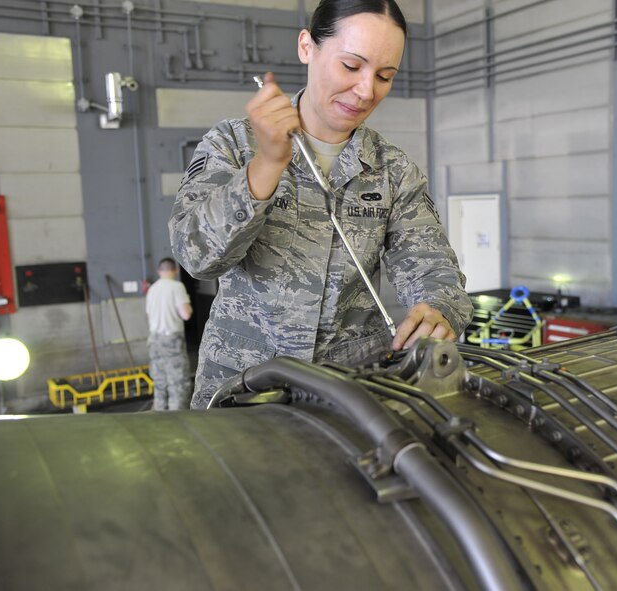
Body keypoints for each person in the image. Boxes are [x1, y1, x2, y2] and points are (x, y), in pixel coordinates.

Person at [170, 0, 473, 408]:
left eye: (385, 76)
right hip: (241, 387)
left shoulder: (393, 170)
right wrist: (266, 165)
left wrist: (438, 310)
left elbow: (434, 268)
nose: (366, 91)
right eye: (351, 66)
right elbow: (197, 256)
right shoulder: (234, 144)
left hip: (348, 392)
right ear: (306, 47)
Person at [145, 257, 193, 410]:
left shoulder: (152, 289)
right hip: (172, 340)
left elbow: (149, 316)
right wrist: (188, 306)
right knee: (178, 383)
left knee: (159, 382)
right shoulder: (177, 286)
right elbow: (186, 314)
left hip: (154, 340)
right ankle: (177, 417)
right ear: (175, 271)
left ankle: (159, 414)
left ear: (159, 271)